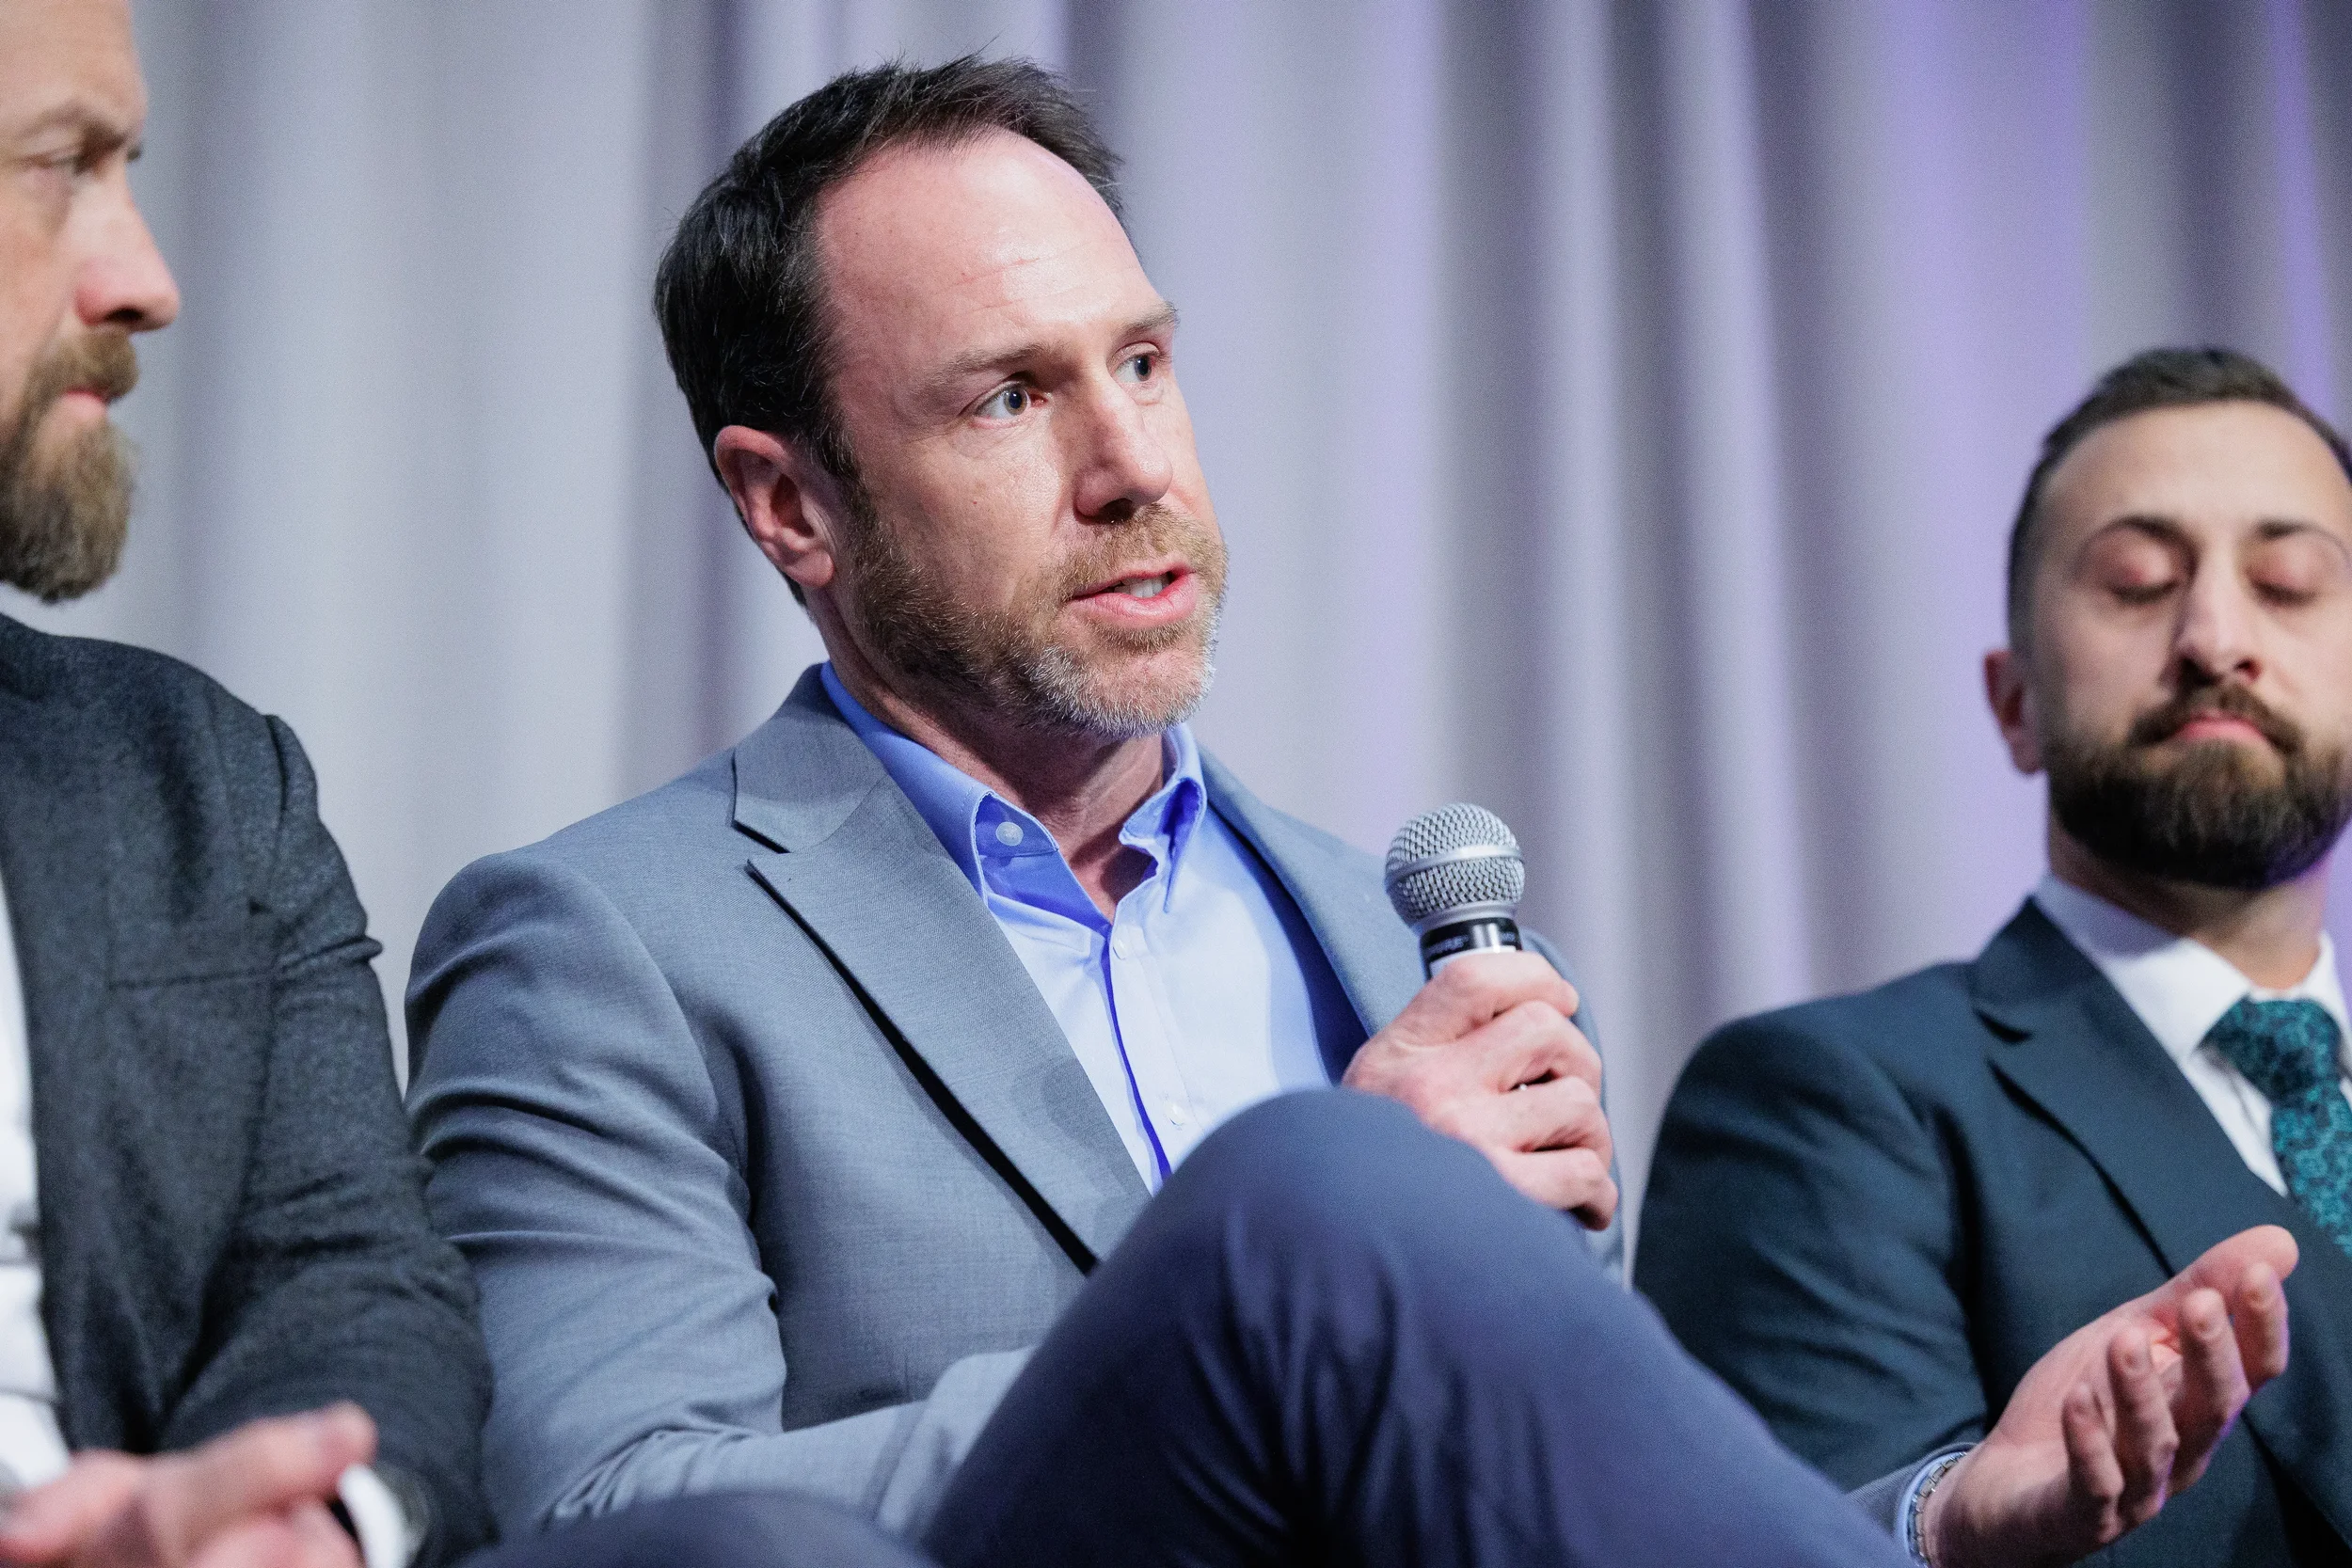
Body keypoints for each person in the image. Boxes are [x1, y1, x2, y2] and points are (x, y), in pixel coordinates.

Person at [407, 60, 2295, 1568]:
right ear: (790, 503)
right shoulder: (606, 941)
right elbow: (616, 1520)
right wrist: (1276, 1262)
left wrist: (1930, 1520)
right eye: (1005, 399)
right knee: (1315, 1193)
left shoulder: (1387, 930)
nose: (1130, 463)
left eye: (1142, 362)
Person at [1639, 347, 2352, 1563]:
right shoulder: (1825, 1102)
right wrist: (1948, 1526)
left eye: (2289, 582)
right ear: (2014, 700)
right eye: (2136, 581)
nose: (2216, 635)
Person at [0, 2, 493, 1564]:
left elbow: (355, 1284)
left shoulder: (203, 787)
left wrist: (302, 1530)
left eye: (128, 168)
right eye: (57, 165)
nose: (144, 279)